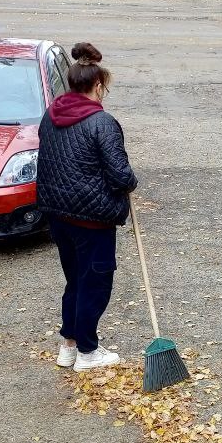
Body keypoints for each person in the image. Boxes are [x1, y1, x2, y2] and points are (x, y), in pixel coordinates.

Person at [36, 42, 139, 372]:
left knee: (75, 280)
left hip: (58, 215)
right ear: (97, 84)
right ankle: (87, 352)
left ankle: (68, 346)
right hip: (92, 220)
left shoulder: (50, 116)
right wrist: (130, 182)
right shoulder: (102, 122)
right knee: (95, 283)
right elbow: (120, 175)